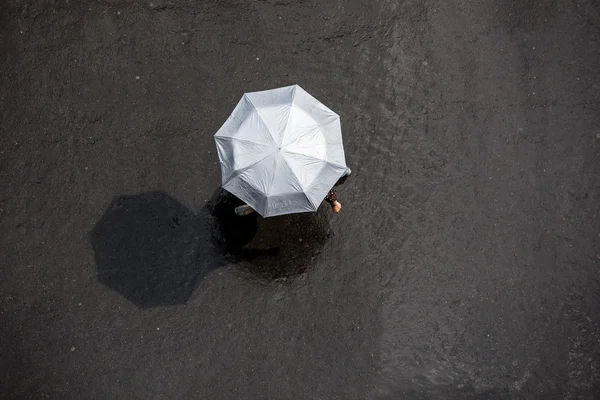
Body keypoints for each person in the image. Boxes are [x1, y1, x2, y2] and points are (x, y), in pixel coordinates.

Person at [234, 167, 351, 216]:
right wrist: (334, 202)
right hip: (286, 185)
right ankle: (337, 169)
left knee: (265, 190)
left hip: (265, 176)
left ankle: (254, 206)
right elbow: (321, 187)